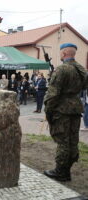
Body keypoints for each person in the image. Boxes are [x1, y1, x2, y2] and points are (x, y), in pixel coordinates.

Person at [44, 43, 87, 182]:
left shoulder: (62, 69)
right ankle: (67, 170)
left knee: (63, 141)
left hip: (62, 110)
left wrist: (48, 110)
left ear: (63, 54)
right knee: (72, 141)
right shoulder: (81, 70)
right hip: (76, 109)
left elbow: (53, 93)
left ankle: (60, 172)